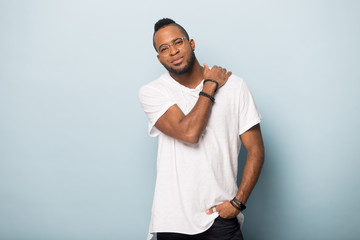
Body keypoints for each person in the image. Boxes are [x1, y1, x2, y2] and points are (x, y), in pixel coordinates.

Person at [139, 18, 265, 240]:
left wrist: (238, 202)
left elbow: (255, 149)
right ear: (159, 58)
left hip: (221, 216)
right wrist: (210, 85)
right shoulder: (153, 92)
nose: (173, 51)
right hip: (173, 220)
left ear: (192, 43)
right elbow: (189, 133)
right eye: (164, 49)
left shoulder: (235, 87)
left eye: (178, 42)